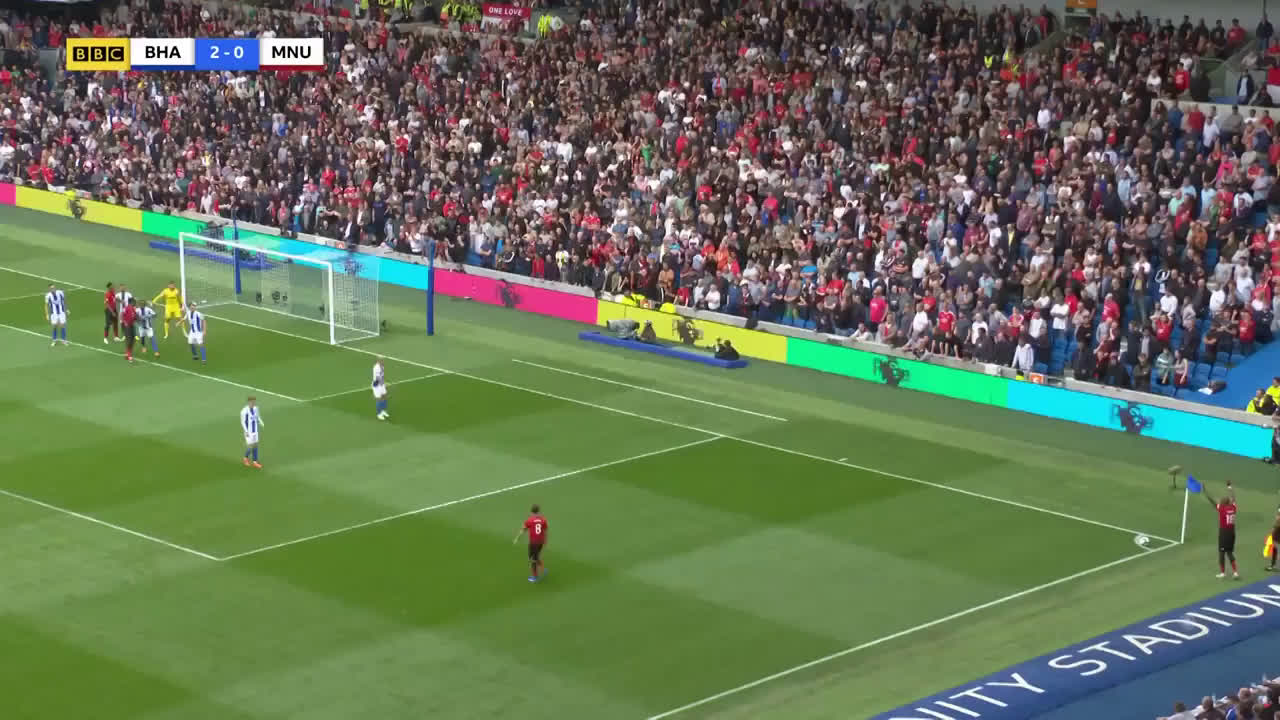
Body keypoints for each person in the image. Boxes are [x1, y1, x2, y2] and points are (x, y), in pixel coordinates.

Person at [1203, 480, 1239, 579]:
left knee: (1222, 552)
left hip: (1224, 533)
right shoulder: (1233, 507)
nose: (1220, 501)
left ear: (1223, 502)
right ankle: (1235, 572)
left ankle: (1223, 573)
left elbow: (1212, 501)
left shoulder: (1222, 509)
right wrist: (1229, 487)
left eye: (1221, 501)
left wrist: (1205, 491)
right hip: (1232, 533)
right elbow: (1233, 497)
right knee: (1230, 552)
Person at [513, 504, 548, 582]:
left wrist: (517, 538)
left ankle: (535, 577)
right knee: (535, 556)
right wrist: (545, 541)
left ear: (531, 512)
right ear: (539, 511)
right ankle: (543, 569)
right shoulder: (543, 520)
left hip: (533, 543)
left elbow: (523, 530)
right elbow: (545, 531)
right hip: (540, 542)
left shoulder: (529, 521)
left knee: (532, 559)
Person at [240, 396, 264, 469]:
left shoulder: (256, 408)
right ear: (249, 402)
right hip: (248, 431)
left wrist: (261, 422)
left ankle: (255, 462)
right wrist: (246, 431)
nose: (254, 403)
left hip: (255, 430)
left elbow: (257, 416)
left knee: (255, 445)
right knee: (251, 446)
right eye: (252, 402)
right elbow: (243, 422)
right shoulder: (244, 411)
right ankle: (245, 458)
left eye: (254, 402)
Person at [121, 297, 138, 364]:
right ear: (131, 302)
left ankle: (127, 354)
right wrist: (124, 322)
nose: (135, 303)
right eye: (134, 302)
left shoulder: (133, 308)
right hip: (127, 326)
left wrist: (137, 318)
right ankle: (129, 356)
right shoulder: (126, 308)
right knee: (129, 340)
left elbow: (135, 317)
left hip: (132, 325)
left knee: (133, 340)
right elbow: (122, 315)